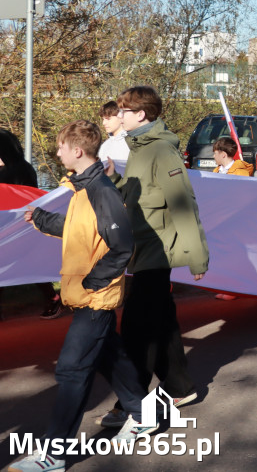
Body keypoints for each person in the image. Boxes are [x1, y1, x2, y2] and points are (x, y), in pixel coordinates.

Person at [11, 122, 157, 472]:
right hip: (86, 296)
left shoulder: (101, 191)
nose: (57, 152)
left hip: (94, 298)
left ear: (78, 151)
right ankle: (142, 413)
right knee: (109, 354)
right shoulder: (84, 188)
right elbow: (81, 231)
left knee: (73, 370)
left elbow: (122, 246)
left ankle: (54, 455)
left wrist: (93, 282)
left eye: (61, 146)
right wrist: (42, 220)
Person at [98, 86, 208, 428]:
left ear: (141, 115)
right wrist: (114, 179)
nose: (119, 116)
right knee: (162, 324)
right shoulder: (139, 149)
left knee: (136, 329)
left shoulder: (161, 151)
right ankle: (180, 387)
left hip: (156, 253)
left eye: (124, 111)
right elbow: (136, 197)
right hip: (141, 250)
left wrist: (198, 256)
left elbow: (182, 204)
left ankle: (133, 401)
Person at [0, 128, 62, 320]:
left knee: (17, 263)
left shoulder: (20, 169)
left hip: (19, 225)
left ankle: (53, 297)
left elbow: (25, 197)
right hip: (7, 224)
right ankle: (52, 297)